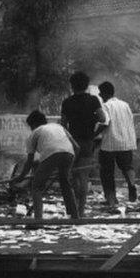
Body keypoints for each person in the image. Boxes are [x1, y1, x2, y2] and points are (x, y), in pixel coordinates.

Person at [13, 110, 80, 221]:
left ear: (33, 124)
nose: (31, 129)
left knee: (37, 187)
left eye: (30, 126)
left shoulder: (34, 133)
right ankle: (75, 217)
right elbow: (77, 147)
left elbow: (29, 162)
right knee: (66, 184)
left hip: (51, 154)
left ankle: (38, 221)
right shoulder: (59, 127)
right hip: (69, 153)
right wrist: (70, 166)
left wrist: (20, 177)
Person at [60, 71, 105, 217]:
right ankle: (81, 211)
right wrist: (94, 133)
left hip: (72, 143)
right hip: (87, 142)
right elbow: (103, 118)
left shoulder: (67, 102)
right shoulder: (93, 101)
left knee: (72, 176)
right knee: (84, 176)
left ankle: (73, 210)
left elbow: (63, 124)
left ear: (72, 86)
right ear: (86, 85)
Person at [95, 82, 138, 206]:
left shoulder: (105, 106)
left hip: (110, 143)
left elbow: (105, 123)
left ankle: (111, 199)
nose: (99, 94)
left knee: (107, 172)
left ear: (105, 93)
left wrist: (94, 135)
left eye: (101, 92)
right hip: (126, 142)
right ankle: (132, 184)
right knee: (127, 167)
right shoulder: (125, 105)